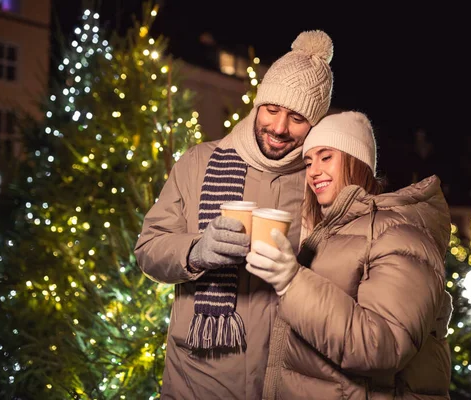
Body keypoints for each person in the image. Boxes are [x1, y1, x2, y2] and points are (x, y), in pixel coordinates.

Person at [134, 30, 334, 399]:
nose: (278, 127)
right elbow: (148, 248)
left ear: (316, 123)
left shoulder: (320, 182)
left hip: (287, 381)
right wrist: (196, 251)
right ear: (257, 105)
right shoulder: (198, 163)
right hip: (198, 380)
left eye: (296, 118)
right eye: (271, 110)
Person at [246, 111, 454, 399]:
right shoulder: (325, 236)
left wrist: (292, 282)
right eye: (308, 161)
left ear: (357, 161)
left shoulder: (401, 234)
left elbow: (383, 346)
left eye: (326, 157)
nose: (314, 171)